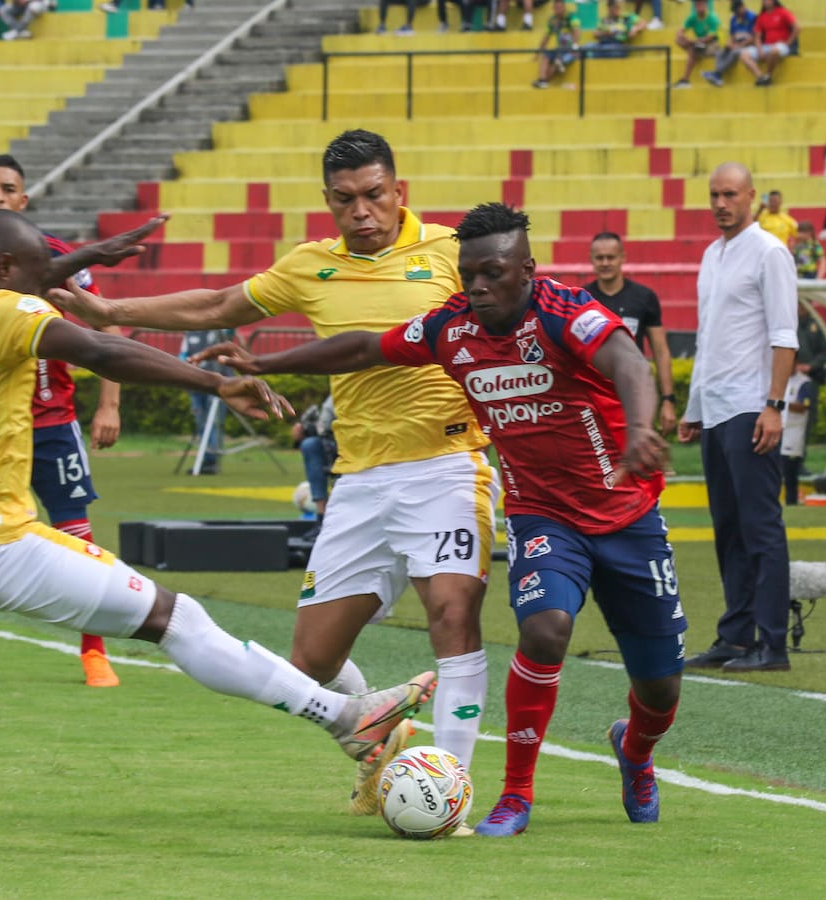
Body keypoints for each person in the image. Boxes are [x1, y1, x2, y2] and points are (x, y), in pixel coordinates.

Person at [0, 209, 437, 816]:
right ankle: (345, 719)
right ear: (7, 272)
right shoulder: (11, 315)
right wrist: (215, 383)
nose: (52, 289)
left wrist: (79, 259)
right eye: (42, 275)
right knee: (175, 620)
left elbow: (13, 281)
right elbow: (101, 350)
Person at [49, 129, 501, 823]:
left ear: (398, 192)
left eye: (375, 195)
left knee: (452, 615)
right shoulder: (309, 266)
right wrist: (111, 313)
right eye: (346, 199)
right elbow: (215, 306)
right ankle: (382, 729)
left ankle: (451, 789)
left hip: (445, 466)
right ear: (328, 202)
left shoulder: (448, 251)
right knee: (310, 662)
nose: (363, 211)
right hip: (358, 480)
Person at [195, 202, 684, 837]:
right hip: (543, 516)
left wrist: (641, 428)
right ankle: (515, 795)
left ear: (527, 270)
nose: (477, 287)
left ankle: (636, 751)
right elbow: (366, 346)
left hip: (626, 514)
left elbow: (629, 360)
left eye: (493, 273)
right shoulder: (451, 327)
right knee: (544, 630)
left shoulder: (566, 314)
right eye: (468, 274)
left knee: (661, 688)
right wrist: (267, 364)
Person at [0, 152, 155, 688]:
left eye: (8, 189)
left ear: (24, 200)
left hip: (49, 419)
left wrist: (109, 404)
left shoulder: (59, 257)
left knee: (74, 528)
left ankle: (94, 653)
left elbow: (104, 327)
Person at [680, 162, 797, 673]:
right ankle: (736, 635)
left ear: (751, 195)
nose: (721, 203)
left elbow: (784, 334)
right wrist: (693, 408)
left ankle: (773, 644)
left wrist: (775, 405)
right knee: (728, 527)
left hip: (752, 406)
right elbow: (710, 340)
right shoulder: (712, 254)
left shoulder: (770, 251)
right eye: (714, 195)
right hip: (718, 409)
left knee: (761, 527)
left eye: (730, 194)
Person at [583, 232, 677, 435]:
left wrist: (668, 400)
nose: (605, 263)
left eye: (611, 257)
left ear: (622, 258)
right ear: (591, 259)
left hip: (635, 393)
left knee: (640, 457)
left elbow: (660, 351)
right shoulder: (582, 300)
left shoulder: (644, 297)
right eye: (600, 258)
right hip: (594, 397)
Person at [181, 328, 235, 474]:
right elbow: (183, 355)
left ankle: (210, 459)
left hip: (220, 383)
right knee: (201, 423)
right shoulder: (190, 333)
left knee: (215, 422)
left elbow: (231, 328)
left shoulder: (221, 330)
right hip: (196, 384)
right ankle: (207, 457)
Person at [293, 393, 336, 541]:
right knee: (310, 444)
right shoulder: (336, 393)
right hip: (336, 443)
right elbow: (324, 425)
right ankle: (321, 518)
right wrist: (306, 430)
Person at [738, 0, 798, 87]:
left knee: (774, 51)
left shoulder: (783, 12)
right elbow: (757, 36)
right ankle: (760, 77)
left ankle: (768, 75)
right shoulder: (762, 16)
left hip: (781, 45)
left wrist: (789, 42)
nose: (765, 1)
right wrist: (760, 50)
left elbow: (797, 27)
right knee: (743, 54)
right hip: (766, 45)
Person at [781, 363, 815, 505]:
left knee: (790, 471)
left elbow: (804, 406)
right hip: (780, 430)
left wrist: (780, 403)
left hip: (794, 432)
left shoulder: (804, 383)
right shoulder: (780, 379)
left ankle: (791, 502)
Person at [702, 0, 758, 86]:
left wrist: (740, 45)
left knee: (735, 52)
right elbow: (732, 36)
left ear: (742, 7)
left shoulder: (753, 17)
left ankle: (717, 74)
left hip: (749, 45)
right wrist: (729, 44)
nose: (737, 14)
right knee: (720, 52)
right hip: (737, 43)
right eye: (735, 12)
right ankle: (717, 76)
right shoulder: (734, 18)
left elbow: (755, 37)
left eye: (738, 12)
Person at [532, 0, 581, 90]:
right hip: (559, 48)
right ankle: (542, 80)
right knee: (546, 55)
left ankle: (544, 81)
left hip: (569, 49)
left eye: (560, 7)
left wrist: (575, 46)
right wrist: (538, 53)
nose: (558, 10)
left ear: (564, 7)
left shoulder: (571, 17)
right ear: (553, 9)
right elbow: (546, 37)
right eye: (556, 8)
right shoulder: (553, 20)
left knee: (557, 61)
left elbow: (576, 31)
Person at [673, 0, 720, 87]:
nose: (699, 6)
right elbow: (681, 30)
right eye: (697, 4)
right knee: (679, 40)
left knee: (692, 49)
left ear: (706, 4)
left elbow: (709, 38)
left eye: (701, 3)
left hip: (713, 46)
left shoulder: (712, 18)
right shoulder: (693, 17)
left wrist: (691, 41)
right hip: (700, 44)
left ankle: (685, 80)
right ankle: (685, 80)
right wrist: (681, 35)